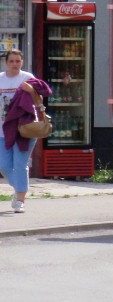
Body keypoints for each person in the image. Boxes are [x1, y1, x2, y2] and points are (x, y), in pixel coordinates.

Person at [0, 49, 52, 214]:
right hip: (3, 129)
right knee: (4, 166)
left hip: (25, 129)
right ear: (6, 63)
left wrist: (30, 90)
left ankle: (20, 200)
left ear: (22, 62)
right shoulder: (0, 79)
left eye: (18, 61)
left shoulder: (28, 78)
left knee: (20, 164)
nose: (15, 64)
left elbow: (40, 100)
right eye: (11, 61)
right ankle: (19, 189)